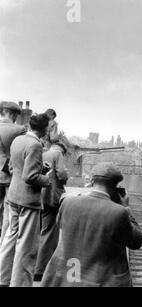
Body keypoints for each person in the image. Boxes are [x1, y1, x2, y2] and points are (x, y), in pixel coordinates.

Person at [41, 162, 142, 287]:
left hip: (69, 278)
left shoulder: (67, 202)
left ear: (92, 181)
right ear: (116, 186)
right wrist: (127, 208)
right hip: (101, 281)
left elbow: (61, 225)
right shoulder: (119, 212)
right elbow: (136, 241)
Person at [0, 114, 52, 287]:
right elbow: (30, 177)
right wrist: (47, 178)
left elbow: (11, 166)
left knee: (9, 237)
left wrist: (38, 168)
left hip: (13, 196)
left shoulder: (18, 140)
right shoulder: (36, 145)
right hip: (28, 201)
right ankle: (20, 284)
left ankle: (3, 278)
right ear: (45, 129)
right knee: (26, 246)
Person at [34, 142, 69, 282]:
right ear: (61, 149)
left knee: (40, 231)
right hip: (51, 196)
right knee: (49, 233)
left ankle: (37, 267)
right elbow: (61, 174)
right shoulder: (58, 153)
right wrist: (66, 177)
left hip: (39, 196)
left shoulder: (41, 153)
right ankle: (40, 271)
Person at [0, 102, 26, 243]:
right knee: (8, 215)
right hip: (9, 176)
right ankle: (2, 246)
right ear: (13, 114)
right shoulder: (19, 129)